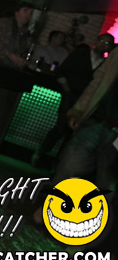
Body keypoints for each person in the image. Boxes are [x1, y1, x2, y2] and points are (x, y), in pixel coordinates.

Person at [34, 42, 118, 224]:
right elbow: (97, 83)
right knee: (68, 167)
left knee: (107, 185)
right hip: (97, 122)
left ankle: (89, 229)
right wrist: (79, 109)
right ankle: (52, 209)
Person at [31, 33, 115, 167]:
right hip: (71, 96)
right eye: (102, 41)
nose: (103, 45)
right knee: (61, 127)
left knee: (73, 132)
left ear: (110, 47)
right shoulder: (81, 54)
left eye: (107, 44)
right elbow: (62, 71)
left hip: (86, 100)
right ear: (96, 41)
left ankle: (59, 162)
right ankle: (41, 152)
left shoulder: (106, 64)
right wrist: (66, 88)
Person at [0, 2, 34, 68]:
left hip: (10, 65)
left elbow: (21, 50)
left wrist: (19, 60)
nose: (28, 15)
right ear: (16, 12)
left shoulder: (25, 33)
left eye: (31, 13)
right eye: (25, 11)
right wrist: (9, 54)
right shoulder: (3, 22)